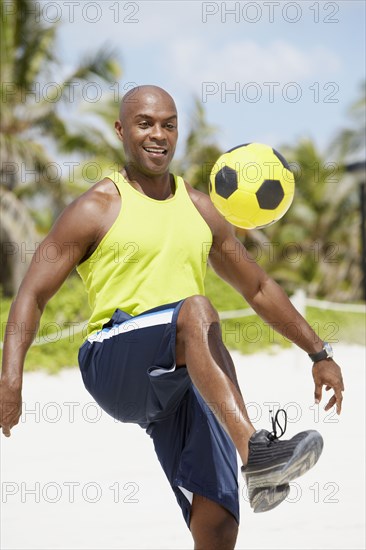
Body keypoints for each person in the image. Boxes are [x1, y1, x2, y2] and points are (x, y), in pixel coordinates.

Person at [0, 85, 344, 550]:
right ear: (121, 130)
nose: (158, 134)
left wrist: (318, 352)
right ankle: (257, 452)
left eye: (168, 124)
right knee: (197, 309)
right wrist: (12, 377)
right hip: (114, 360)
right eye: (145, 123)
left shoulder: (201, 208)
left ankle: (254, 465)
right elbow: (32, 295)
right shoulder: (96, 207)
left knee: (220, 523)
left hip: (182, 375)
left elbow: (258, 288)